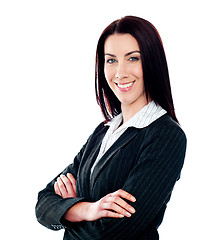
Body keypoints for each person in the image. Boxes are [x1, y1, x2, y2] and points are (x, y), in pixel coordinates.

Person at [35, 16, 187, 240]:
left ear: (152, 62)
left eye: (133, 58)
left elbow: (113, 231)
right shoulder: (104, 131)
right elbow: (43, 203)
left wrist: (68, 209)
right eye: (111, 60)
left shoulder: (166, 135)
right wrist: (88, 209)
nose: (120, 73)